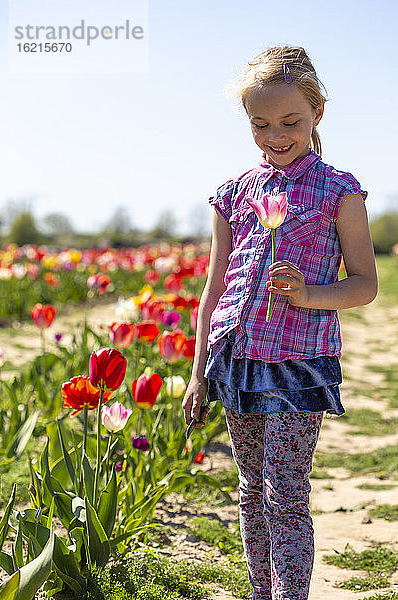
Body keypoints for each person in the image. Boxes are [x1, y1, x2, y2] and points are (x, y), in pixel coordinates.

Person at [182, 45, 378, 600]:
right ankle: (260, 592)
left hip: (299, 363)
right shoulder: (234, 193)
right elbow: (214, 289)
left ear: (317, 111)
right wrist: (200, 373)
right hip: (238, 359)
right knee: (249, 490)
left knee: (284, 490)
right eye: (260, 124)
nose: (276, 136)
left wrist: (311, 293)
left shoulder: (340, 191)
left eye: (291, 122)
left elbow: (365, 283)